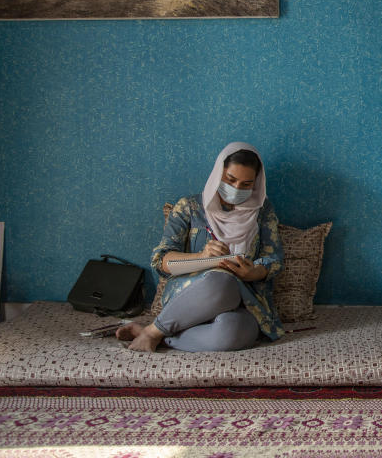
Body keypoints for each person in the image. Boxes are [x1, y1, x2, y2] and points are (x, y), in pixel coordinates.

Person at [116, 142, 284, 353]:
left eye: (246, 184)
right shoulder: (189, 207)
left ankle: (157, 335)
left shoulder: (262, 210)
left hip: (244, 301)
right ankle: (155, 331)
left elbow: (274, 259)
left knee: (232, 334)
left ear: (256, 184)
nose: (236, 189)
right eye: (230, 180)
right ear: (217, 173)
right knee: (222, 281)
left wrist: (253, 272)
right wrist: (201, 256)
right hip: (192, 298)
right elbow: (161, 260)